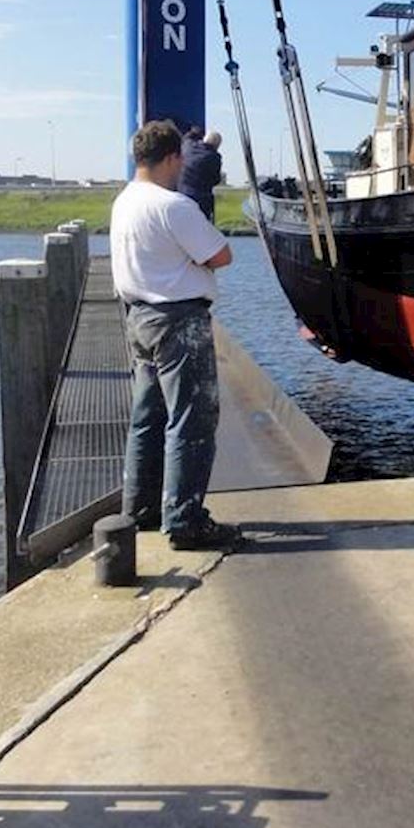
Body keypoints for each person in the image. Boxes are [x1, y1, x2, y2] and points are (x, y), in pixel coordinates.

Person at [110, 119, 239, 550]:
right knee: (192, 420)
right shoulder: (174, 207)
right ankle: (185, 520)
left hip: (140, 319)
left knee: (147, 419)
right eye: (179, 158)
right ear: (170, 158)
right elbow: (222, 255)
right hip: (179, 322)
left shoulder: (124, 202)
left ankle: (140, 509)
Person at [179, 127, 223, 221]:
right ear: (217, 146)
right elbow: (216, 179)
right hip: (201, 201)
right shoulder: (214, 158)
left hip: (181, 194)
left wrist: (195, 131)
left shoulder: (188, 146)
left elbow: (187, 137)